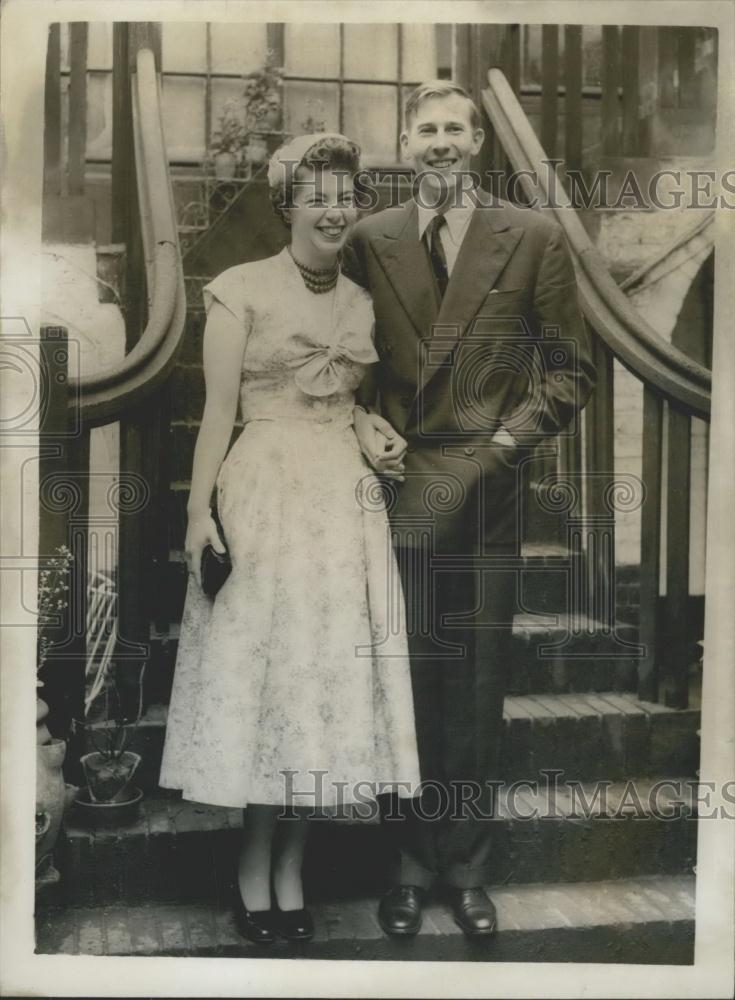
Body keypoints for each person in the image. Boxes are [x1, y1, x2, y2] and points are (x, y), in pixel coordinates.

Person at [346, 81, 596, 937]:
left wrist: (502, 446)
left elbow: (570, 370)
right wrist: (361, 417)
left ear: (479, 142)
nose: (441, 143)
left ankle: (469, 866)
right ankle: (410, 865)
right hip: (396, 487)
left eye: (456, 129)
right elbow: (344, 359)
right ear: (403, 143)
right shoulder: (367, 240)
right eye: (426, 130)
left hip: (487, 492)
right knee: (406, 676)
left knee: (476, 681)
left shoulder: (531, 237)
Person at [159, 133, 421, 946]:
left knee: (322, 682)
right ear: (287, 205)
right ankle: (253, 863)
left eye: (346, 196)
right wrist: (199, 513)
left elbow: (353, 398)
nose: (335, 210)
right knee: (269, 678)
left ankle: (293, 867)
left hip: (344, 502)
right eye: (318, 196)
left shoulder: (360, 300)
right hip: (266, 490)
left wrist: (374, 428)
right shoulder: (240, 290)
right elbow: (216, 414)